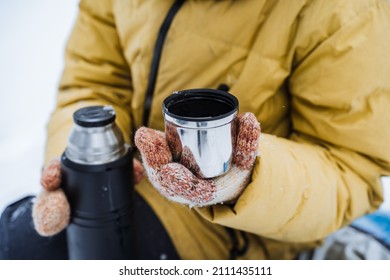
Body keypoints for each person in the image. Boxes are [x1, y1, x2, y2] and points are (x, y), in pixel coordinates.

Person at [1, 0, 390, 260]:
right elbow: (95, 79)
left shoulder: (346, 10)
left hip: (241, 232)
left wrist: (243, 181)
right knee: (15, 241)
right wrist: (79, 161)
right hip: (132, 180)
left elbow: (348, 166)